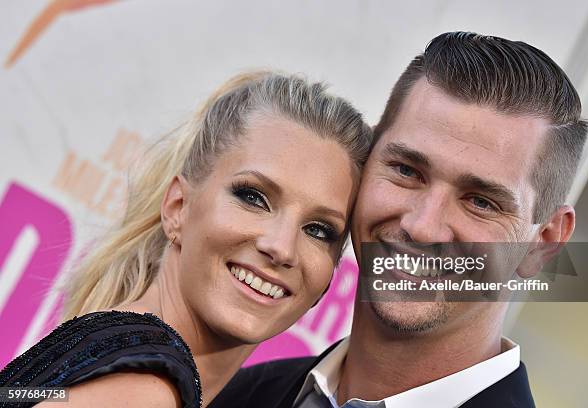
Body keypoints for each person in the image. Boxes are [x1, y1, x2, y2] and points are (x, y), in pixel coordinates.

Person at [209, 32, 588, 407]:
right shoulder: (233, 394)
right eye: (406, 170)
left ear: (545, 241)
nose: (422, 226)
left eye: (481, 202)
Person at [0, 71, 373, 407]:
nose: (281, 247)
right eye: (253, 197)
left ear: (328, 280)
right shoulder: (144, 391)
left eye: (318, 230)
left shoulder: (116, 357)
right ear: (178, 206)